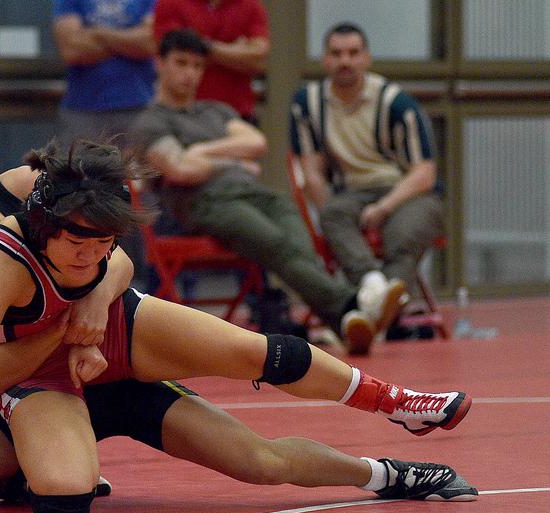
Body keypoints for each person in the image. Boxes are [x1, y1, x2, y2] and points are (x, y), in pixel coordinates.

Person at [0, 129, 476, 513]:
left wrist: (95, 298)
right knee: (59, 501)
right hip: (46, 378)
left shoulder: (28, 189)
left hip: (118, 340)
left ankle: (393, 433)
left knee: (260, 390)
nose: (93, 255)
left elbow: (118, 259)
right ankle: (39, 460)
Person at [130, 29, 404, 354]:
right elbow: (181, 170)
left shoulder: (215, 110)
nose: (189, 73)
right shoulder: (151, 122)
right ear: (160, 63)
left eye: (196, 65)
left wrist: (201, 152)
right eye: (181, 63)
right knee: (276, 244)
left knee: (298, 240)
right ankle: (354, 304)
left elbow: (257, 143)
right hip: (204, 203)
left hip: (254, 192)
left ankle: (346, 320)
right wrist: (234, 157)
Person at [289, 23, 444, 312]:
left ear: (367, 58)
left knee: (402, 234)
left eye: (353, 53)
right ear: (324, 59)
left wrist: (384, 207)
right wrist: (332, 214)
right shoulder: (307, 103)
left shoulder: (396, 102)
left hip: (407, 191)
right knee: (332, 215)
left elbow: (425, 173)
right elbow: (311, 173)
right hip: (351, 192)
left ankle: (371, 309)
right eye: (336, 53)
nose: (345, 61)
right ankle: (375, 289)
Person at [52, 0, 158, 289]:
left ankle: (139, 283)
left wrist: (98, 33)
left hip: (137, 108)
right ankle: (77, 282)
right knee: (75, 195)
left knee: (138, 198)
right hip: (83, 112)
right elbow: (72, 49)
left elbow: (150, 42)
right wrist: (126, 40)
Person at [153, 0, 269, 123]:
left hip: (238, 113)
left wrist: (204, 46)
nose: (191, 70)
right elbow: (170, 51)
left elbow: (258, 59)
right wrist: (236, 51)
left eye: (198, 65)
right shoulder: (171, 3)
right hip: (182, 113)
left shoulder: (250, 5)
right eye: (185, 63)